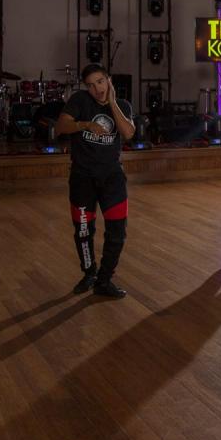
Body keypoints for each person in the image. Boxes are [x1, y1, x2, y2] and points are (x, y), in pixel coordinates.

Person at [55, 63, 135, 297]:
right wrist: (85, 124)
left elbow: (128, 133)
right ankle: (89, 273)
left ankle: (104, 280)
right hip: (82, 178)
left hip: (112, 179)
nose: (97, 89)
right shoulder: (80, 100)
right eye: (90, 85)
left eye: (100, 82)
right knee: (83, 231)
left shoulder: (122, 105)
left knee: (117, 233)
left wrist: (112, 102)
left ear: (109, 80)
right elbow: (61, 126)